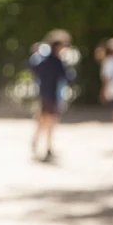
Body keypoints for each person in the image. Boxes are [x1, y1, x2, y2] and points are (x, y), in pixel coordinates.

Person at [30, 33, 71, 162]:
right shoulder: (56, 61)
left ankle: (37, 141)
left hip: (44, 93)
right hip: (53, 95)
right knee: (50, 121)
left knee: (43, 120)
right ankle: (47, 146)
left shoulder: (43, 60)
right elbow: (67, 77)